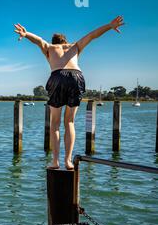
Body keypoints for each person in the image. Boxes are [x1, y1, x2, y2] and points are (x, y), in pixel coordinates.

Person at [14, 16, 125, 170]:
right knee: (70, 122)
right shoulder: (75, 46)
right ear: (65, 41)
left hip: (58, 77)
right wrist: (109, 25)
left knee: (55, 124)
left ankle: (55, 161)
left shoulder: (50, 48)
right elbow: (92, 35)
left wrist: (26, 35)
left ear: (54, 42)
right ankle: (68, 161)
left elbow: (39, 40)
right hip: (76, 76)